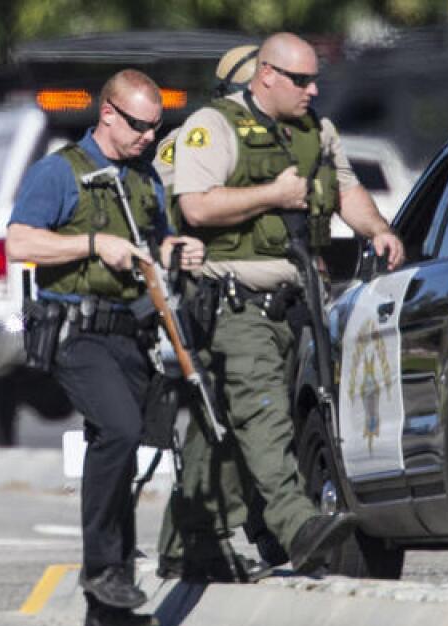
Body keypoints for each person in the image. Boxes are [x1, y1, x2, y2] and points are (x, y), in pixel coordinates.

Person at [168, 32, 405, 575]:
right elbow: (197, 207)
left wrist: (378, 231)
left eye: (314, 79)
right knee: (266, 416)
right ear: (267, 75)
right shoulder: (215, 126)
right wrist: (271, 195)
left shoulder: (317, 130)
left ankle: (187, 542)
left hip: (299, 302)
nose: (313, 89)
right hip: (235, 302)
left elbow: (345, 189)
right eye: (301, 80)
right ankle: (298, 528)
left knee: (228, 429)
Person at [6, 69, 206, 626]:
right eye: (139, 125)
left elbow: (156, 239)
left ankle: (109, 607)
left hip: (131, 335)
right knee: (116, 430)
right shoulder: (61, 172)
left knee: (125, 445)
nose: (149, 136)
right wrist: (93, 244)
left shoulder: (145, 179)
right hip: (76, 331)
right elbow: (19, 240)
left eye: (156, 126)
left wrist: (177, 248)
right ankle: (102, 570)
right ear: (109, 114)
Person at [153, 43, 286, 582]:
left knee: (240, 423)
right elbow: (165, 213)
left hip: (265, 298)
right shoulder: (193, 139)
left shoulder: (282, 135)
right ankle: (198, 539)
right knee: (222, 422)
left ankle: (237, 533)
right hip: (207, 298)